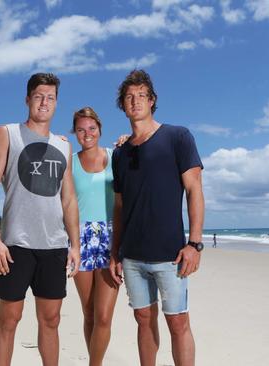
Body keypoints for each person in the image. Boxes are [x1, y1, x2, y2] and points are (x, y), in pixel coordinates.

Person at [0, 72, 81, 366]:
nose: (44, 102)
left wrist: (74, 245)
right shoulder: (6, 133)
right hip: (15, 245)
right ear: (28, 99)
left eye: (50, 97)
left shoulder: (64, 145)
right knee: (9, 318)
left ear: (56, 102)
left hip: (54, 245)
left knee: (51, 319)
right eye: (38, 96)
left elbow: (69, 199)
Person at [109, 69, 205, 366]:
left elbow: (194, 190)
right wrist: (116, 253)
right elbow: (120, 207)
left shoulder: (177, 136)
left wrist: (195, 244)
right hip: (133, 258)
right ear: (122, 105)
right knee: (143, 320)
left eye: (141, 96)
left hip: (171, 255)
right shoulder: (120, 153)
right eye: (128, 97)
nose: (135, 101)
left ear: (152, 101)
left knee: (178, 323)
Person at [70, 107, 120, 366]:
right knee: (88, 312)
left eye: (91, 128)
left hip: (111, 237)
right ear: (75, 133)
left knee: (103, 316)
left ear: (100, 129)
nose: (87, 134)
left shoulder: (116, 156)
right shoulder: (69, 161)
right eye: (80, 129)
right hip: (79, 238)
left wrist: (127, 142)